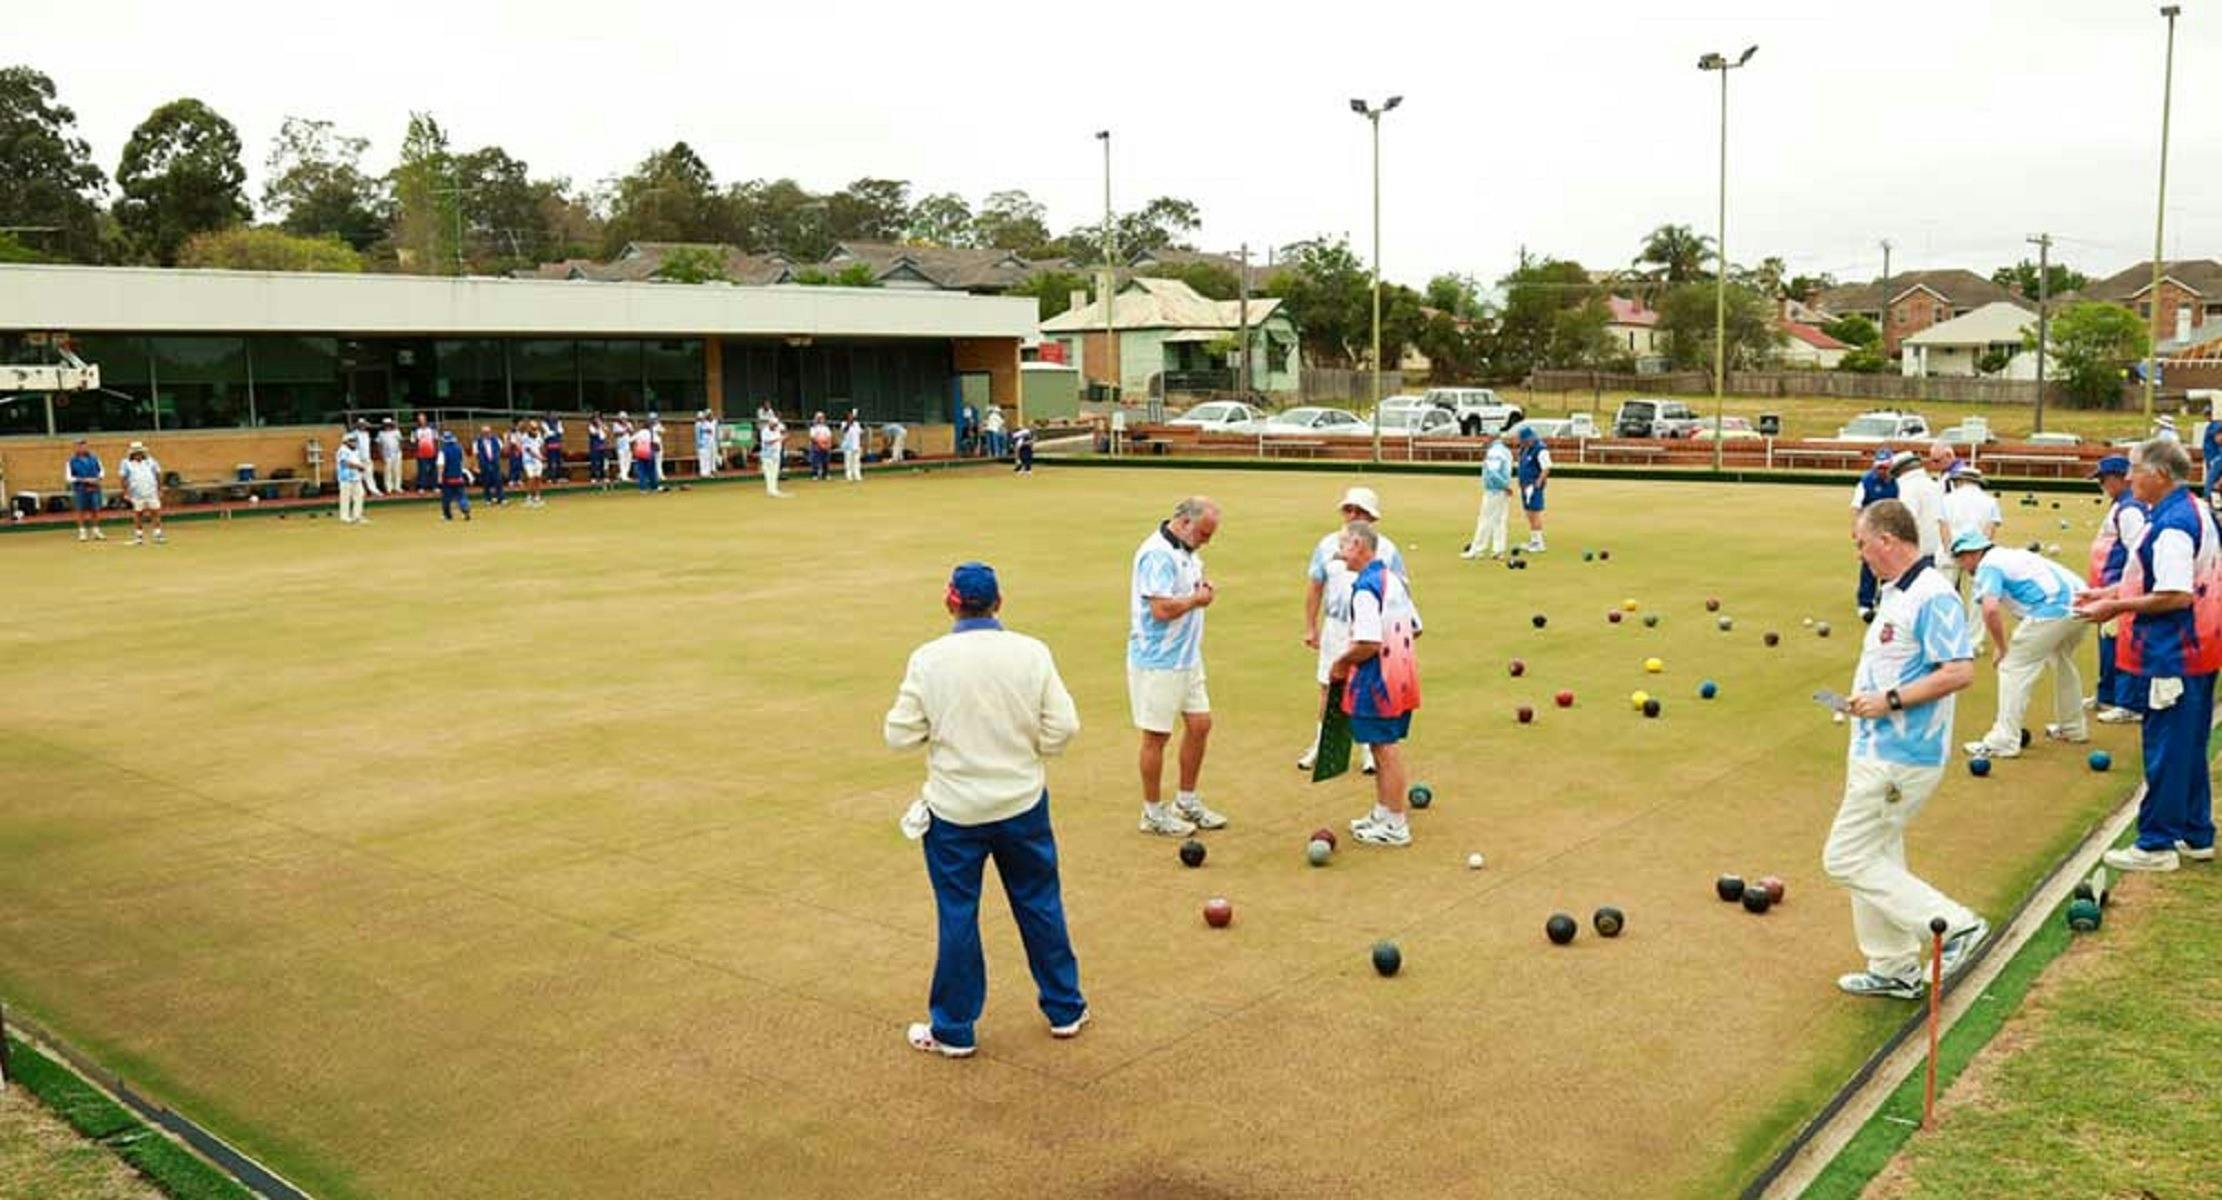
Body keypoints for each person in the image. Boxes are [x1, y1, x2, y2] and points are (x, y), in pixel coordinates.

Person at [884, 561, 1088, 1059]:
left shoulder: (929, 659)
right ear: (999, 602)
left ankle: (954, 1028)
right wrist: (1025, 750)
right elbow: (1064, 728)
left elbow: (899, 734)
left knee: (958, 915)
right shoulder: (1031, 652)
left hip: (955, 811)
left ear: (951, 602)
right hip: (1021, 801)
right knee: (1040, 903)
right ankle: (1065, 1008)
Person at [1824, 497, 1987, 998]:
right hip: (1877, 746)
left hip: (1902, 755)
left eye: (1862, 543)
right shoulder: (1899, 591)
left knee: (1845, 857)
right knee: (1879, 854)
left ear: (1888, 540)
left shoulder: (1933, 594)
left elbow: (1959, 671)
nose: (1860, 554)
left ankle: (1954, 926)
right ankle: (1894, 966)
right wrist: (1864, 701)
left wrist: (1889, 700)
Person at [2076, 438, 2221, 873]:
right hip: (2197, 649)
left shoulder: (2173, 525)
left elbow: (2173, 594)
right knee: (2189, 745)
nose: (2129, 477)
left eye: (2136, 468)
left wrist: (2114, 607)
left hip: (2173, 652)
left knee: (2167, 746)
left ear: (2159, 474)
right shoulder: (2189, 509)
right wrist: (2107, 591)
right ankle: (2196, 833)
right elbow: (2161, 580)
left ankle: (2155, 843)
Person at [1129, 496, 1228, 836]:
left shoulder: (1188, 553)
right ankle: (1152, 813)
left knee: (1200, 725)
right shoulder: (1158, 554)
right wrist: (1196, 600)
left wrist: (1201, 589)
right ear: (1184, 522)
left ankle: (1185, 801)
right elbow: (1160, 609)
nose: (1206, 541)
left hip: (1187, 657)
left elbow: (1186, 591)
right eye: (1203, 533)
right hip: (1158, 658)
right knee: (1156, 736)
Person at [1300, 487, 1413, 776]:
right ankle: (1323, 744)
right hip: (1336, 624)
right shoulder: (1327, 545)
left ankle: (1368, 749)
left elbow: (1401, 589)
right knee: (1328, 685)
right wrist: (1311, 626)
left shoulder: (1386, 548)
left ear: (1372, 517)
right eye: (1349, 509)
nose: (1353, 516)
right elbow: (1315, 586)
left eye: (1360, 511)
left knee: (1365, 685)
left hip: (1372, 628)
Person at [1952, 531, 2089, 758]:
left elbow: (1990, 609)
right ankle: (2073, 728)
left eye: (1961, 557)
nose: (1961, 564)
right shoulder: (2011, 555)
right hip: (2082, 603)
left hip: (2052, 609)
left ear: (1974, 553)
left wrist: (2001, 647)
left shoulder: (1988, 565)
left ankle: (2003, 740)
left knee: (2013, 666)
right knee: (2061, 659)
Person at [1335, 522, 1424, 847]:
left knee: (1384, 749)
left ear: (1359, 545)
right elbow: (1415, 627)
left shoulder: (1365, 588)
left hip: (1377, 682)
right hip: (1402, 677)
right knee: (1380, 744)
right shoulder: (1392, 580)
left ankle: (1395, 823)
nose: (1339, 551)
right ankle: (1383, 812)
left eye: (1343, 544)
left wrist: (1341, 662)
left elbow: (1369, 643)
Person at [2086, 455, 2150, 724]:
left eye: (2103, 479)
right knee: (2109, 642)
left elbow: (2138, 551)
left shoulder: (2131, 510)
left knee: (2123, 642)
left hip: (2122, 587)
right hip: (2108, 586)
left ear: (2118, 478)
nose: (2101, 484)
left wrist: (2123, 588)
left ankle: (2130, 703)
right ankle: (2108, 694)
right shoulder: (2120, 506)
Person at [1850, 449, 1899, 617]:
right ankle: (1865, 603)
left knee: (1890, 564)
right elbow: (1856, 507)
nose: (1882, 471)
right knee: (1869, 564)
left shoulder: (1898, 482)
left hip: (1891, 529)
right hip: (1870, 528)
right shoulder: (1866, 482)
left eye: (1885, 467)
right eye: (1879, 467)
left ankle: (1884, 600)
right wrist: (1857, 530)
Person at [1888, 450, 1949, 571]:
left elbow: (1906, 520)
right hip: (1938, 551)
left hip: (1917, 554)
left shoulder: (1907, 488)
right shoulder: (1934, 485)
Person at [1463, 431, 1514, 561]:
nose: (1483, 438)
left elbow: (1493, 473)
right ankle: (1498, 550)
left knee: (1485, 519)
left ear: (1492, 437)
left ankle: (1477, 550)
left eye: (1485, 435)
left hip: (1494, 490)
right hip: (1501, 490)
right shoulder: (1505, 451)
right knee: (1499, 520)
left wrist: (1504, 486)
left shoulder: (1494, 452)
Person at [115, 441, 165, 545]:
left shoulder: (151, 461)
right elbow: (123, 479)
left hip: (151, 491)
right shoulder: (126, 463)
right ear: (132, 453)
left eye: (140, 452)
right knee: (138, 514)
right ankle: (139, 536)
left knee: (155, 512)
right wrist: (125, 492)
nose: (138, 454)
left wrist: (160, 489)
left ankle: (158, 534)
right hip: (136, 493)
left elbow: (157, 475)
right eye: (136, 452)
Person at [1515, 425, 1552, 553]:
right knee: (1529, 513)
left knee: (1534, 513)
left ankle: (1539, 543)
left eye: (1522, 440)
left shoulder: (1541, 449)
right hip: (1525, 486)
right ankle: (1534, 540)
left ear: (1529, 438)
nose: (1520, 442)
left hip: (1533, 486)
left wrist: (1539, 482)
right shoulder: (1524, 449)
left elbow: (1546, 467)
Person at [66, 438, 105, 541]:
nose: (82, 447)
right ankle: (82, 532)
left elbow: (101, 471)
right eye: (79, 446)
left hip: (94, 487)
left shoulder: (95, 458)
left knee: (95, 510)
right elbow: (69, 477)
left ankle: (96, 531)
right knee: (80, 510)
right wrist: (84, 480)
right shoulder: (71, 461)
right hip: (80, 488)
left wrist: (97, 479)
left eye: (84, 445)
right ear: (76, 448)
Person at [436, 429, 472, 522]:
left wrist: (439, 477)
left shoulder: (443, 451)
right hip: (458, 476)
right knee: (461, 496)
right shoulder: (459, 448)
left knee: (446, 498)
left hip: (447, 477)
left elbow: (441, 465)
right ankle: (465, 510)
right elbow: (463, 461)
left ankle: (448, 516)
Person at [335, 430, 370, 524]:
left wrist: (360, 467)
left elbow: (356, 462)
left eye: (355, 440)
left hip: (356, 477)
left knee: (360, 495)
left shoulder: (355, 451)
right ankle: (344, 516)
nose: (354, 442)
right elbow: (344, 462)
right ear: (346, 442)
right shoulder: (343, 450)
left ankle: (357, 516)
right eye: (351, 441)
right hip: (345, 478)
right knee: (345, 497)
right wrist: (359, 466)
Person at [474, 425, 507, 507]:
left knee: (498, 481)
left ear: (491, 432)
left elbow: (502, 450)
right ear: (482, 433)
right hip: (484, 464)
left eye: (488, 432)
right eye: (485, 432)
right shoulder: (477, 442)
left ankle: (501, 498)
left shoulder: (497, 440)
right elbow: (475, 455)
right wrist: (476, 466)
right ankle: (488, 499)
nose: (487, 434)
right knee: (486, 482)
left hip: (495, 463)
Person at [759, 409, 788, 497]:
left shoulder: (777, 430)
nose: (775, 426)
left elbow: (782, 437)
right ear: (769, 423)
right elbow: (767, 441)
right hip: (767, 456)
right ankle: (770, 490)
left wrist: (783, 438)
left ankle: (774, 489)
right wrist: (780, 439)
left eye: (776, 425)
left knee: (775, 473)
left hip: (776, 455)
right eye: (773, 425)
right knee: (768, 473)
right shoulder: (765, 431)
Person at [519, 419, 548, 508]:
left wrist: (543, 456)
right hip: (528, 460)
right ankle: (529, 497)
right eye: (532, 428)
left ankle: (537, 497)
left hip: (538, 460)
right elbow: (528, 450)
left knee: (538, 478)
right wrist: (540, 457)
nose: (534, 430)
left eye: (535, 428)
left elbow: (541, 446)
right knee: (531, 478)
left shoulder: (539, 435)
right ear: (529, 428)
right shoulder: (524, 437)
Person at [411, 414, 439, 492]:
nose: (421, 421)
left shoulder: (432, 429)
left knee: (433, 469)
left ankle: (435, 486)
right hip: (421, 453)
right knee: (422, 470)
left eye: (423, 419)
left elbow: (435, 440)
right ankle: (421, 487)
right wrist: (416, 451)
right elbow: (413, 441)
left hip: (432, 452)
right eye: (419, 419)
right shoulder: (415, 430)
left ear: (426, 419)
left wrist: (436, 450)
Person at [376, 418, 403, 495]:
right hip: (386, 455)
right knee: (387, 472)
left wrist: (399, 451)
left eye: (388, 424)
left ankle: (397, 487)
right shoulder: (380, 433)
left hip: (396, 454)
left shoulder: (396, 432)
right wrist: (381, 454)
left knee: (397, 471)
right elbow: (378, 445)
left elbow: (400, 441)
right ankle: (388, 488)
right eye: (385, 424)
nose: (387, 426)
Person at [631, 420, 658, 493]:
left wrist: (634, 449)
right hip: (649, 452)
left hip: (639, 452)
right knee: (652, 471)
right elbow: (656, 443)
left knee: (641, 471)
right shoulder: (651, 433)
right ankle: (654, 488)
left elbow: (631, 440)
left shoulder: (639, 433)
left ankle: (643, 489)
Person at [840, 409, 864, 482]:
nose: (851, 417)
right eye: (849, 416)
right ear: (847, 417)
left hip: (856, 446)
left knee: (857, 462)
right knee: (848, 462)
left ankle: (857, 475)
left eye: (851, 416)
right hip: (848, 447)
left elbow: (861, 433)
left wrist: (861, 444)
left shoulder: (857, 424)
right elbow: (844, 431)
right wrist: (849, 423)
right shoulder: (843, 423)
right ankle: (849, 476)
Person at [695, 410, 720, 477]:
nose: (701, 418)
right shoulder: (699, 424)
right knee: (703, 459)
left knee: (709, 458)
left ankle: (710, 472)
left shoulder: (712, 422)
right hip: (702, 444)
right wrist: (698, 445)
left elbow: (713, 432)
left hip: (709, 443)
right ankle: (703, 473)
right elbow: (699, 434)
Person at [542, 413, 565, 481]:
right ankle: (550, 477)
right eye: (551, 416)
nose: (553, 417)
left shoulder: (558, 423)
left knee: (558, 462)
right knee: (551, 462)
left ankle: (558, 477)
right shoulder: (544, 423)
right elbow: (549, 433)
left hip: (557, 446)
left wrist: (558, 425)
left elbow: (561, 431)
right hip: (550, 447)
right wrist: (556, 432)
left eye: (554, 416)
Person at [587, 413, 610, 483]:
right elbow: (594, 433)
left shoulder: (603, 425)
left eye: (599, 418)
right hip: (594, 447)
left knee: (603, 462)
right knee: (594, 462)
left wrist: (602, 426)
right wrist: (600, 427)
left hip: (602, 447)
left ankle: (603, 477)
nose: (597, 419)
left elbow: (607, 432)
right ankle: (593, 477)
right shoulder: (591, 426)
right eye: (596, 418)